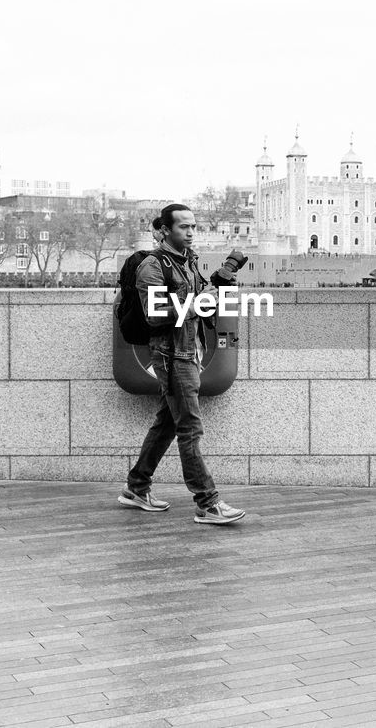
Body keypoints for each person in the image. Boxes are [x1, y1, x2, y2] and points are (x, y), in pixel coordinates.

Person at [117, 203, 247, 525]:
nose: (190, 232)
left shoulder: (188, 261)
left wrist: (218, 283)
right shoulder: (152, 266)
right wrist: (197, 303)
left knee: (168, 424)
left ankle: (136, 486)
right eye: (182, 228)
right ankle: (207, 503)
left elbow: (198, 300)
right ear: (165, 230)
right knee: (190, 428)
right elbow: (156, 314)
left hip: (190, 352)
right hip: (172, 356)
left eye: (193, 226)